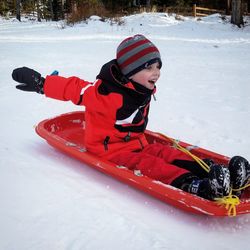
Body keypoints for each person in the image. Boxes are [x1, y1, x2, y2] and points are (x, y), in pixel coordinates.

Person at [12, 34, 250, 200]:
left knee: (166, 152)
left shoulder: (140, 87)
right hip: (110, 151)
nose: (156, 73)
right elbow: (75, 89)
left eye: (158, 66)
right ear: (130, 71)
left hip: (138, 142)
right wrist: (43, 84)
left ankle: (213, 171)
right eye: (149, 67)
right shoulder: (105, 93)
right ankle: (199, 186)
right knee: (152, 165)